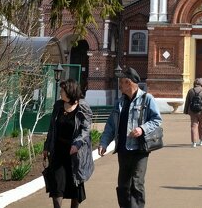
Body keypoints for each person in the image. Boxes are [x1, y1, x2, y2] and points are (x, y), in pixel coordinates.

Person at [98, 66, 161, 208]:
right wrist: (104, 143)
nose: (119, 85)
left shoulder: (147, 99)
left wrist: (142, 129)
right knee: (123, 186)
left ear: (128, 82)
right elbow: (110, 125)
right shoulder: (120, 102)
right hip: (123, 149)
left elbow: (157, 120)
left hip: (140, 149)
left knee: (137, 184)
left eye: (121, 82)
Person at [43, 78, 94, 208]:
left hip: (75, 153)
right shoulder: (58, 105)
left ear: (69, 91)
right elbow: (52, 127)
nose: (60, 92)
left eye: (62, 90)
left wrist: (77, 144)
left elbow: (86, 129)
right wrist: (47, 146)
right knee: (56, 185)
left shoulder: (83, 106)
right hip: (58, 151)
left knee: (74, 185)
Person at [184, 78, 202, 147]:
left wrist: (186, 111)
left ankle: (194, 142)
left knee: (193, 126)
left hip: (193, 111)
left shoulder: (190, 91)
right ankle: (201, 141)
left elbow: (187, 102)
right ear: (201, 83)